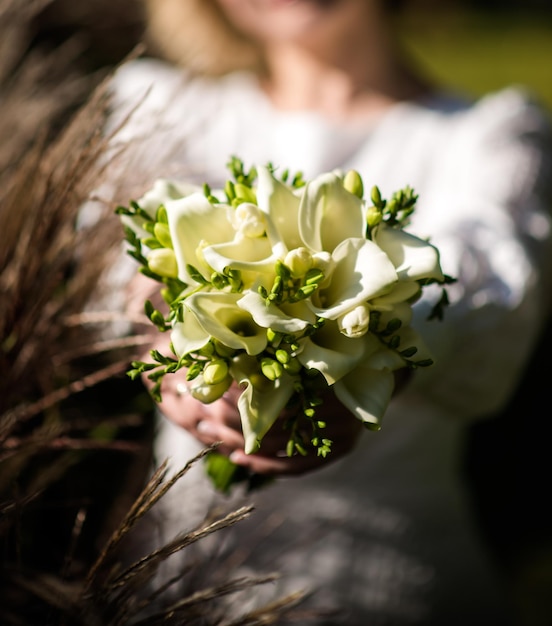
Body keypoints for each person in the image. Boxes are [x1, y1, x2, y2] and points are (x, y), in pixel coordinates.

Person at [100, 0, 552, 624]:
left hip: (396, 587)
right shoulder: (165, 108)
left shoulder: (486, 137)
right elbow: (126, 263)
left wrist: (372, 363)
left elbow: (488, 281)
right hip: (179, 578)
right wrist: (171, 361)